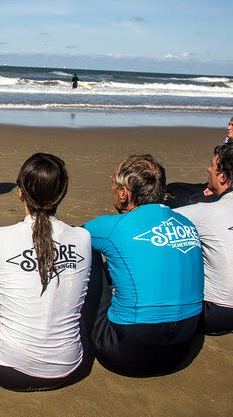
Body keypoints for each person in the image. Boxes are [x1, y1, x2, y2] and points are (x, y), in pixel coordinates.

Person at [0, 153, 92, 390]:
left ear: (20, 192)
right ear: (61, 194)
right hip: (69, 368)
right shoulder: (83, 238)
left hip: (4, 368)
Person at [83, 154, 204, 377]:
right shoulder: (188, 224)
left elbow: (69, 238)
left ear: (124, 194)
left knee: (86, 250)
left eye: (114, 183)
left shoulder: (113, 226)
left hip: (127, 352)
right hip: (183, 348)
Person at [177, 143, 233, 334]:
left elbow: (155, 220)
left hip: (218, 313)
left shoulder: (209, 212)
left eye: (212, 165)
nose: (208, 169)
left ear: (223, 177)